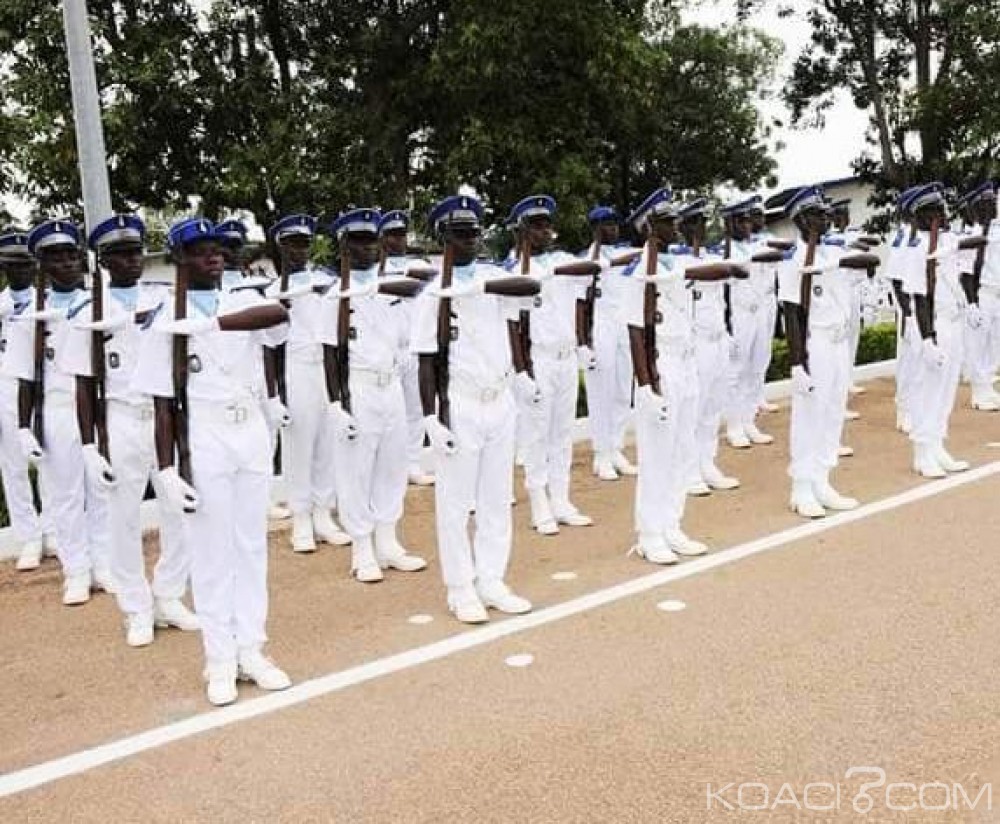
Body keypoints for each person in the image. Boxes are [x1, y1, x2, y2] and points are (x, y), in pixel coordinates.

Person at [133, 216, 292, 706]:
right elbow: (163, 402)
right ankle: (219, 658)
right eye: (202, 250)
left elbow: (278, 317)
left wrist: (210, 323)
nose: (215, 256)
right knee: (211, 553)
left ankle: (252, 649)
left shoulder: (242, 298)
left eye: (219, 248)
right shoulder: (163, 317)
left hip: (248, 432)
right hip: (203, 434)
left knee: (251, 547)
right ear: (180, 258)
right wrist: (165, 469)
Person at [60, 214, 199, 646]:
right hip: (119, 419)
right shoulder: (87, 311)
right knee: (122, 518)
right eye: (120, 253)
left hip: (163, 417)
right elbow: (83, 383)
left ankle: (169, 594)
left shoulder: (166, 298)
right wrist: (87, 444)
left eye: (136, 250)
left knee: (180, 509)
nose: (131, 260)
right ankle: (136, 608)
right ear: (103, 260)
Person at [411, 194, 541, 622]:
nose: (470, 240)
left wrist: (479, 286)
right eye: (460, 233)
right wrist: (431, 417)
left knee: (495, 500)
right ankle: (460, 587)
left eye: (473, 232)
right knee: (455, 502)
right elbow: (426, 360)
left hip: (499, 400)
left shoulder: (490, 278)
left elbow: (530, 287)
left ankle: (492, 579)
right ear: (443, 237)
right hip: (461, 404)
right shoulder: (433, 294)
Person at [624, 187, 748, 563]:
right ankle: (649, 532)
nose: (676, 226)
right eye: (668, 221)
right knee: (657, 455)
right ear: (650, 227)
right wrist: (647, 385)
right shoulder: (639, 271)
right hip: (661, 368)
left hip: (687, 363)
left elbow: (697, 270)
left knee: (681, 450)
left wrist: (727, 269)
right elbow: (637, 331)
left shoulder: (670, 263)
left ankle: (671, 524)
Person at [4, 219, 113, 605]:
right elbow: (24, 378)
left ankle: (103, 563)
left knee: (101, 490)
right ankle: (76, 570)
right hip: (58, 410)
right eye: (55, 257)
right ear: (42, 266)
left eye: (71, 254)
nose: (66, 263)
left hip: (100, 409)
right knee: (65, 494)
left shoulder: (101, 303)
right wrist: (22, 427)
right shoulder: (29, 316)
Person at [320, 208, 428, 583]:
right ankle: (361, 548)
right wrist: (336, 403)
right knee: (356, 471)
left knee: (392, 465)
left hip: (392, 385)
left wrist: (376, 285)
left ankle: (388, 541)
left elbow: (418, 288)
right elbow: (329, 354)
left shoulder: (392, 285)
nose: (369, 248)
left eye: (372, 240)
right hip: (359, 387)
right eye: (360, 242)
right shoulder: (335, 295)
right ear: (344, 247)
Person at [779, 187, 880, 518]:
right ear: (803, 220)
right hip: (816, 344)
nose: (826, 219)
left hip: (837, 344)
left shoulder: (829, 254)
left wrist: (841, 257)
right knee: (810, 415)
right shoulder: (795, 261)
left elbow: (868, 259)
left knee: (832, 411)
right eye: (818, 215)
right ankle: (802, 486)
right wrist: (797, 363)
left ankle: (823, 479)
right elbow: (793, 314)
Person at [505, 195, 601, 535]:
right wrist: (521, 370)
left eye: (547, 225)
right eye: (537, 226)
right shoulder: (514, 270)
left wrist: (552, 271)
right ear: (522, 231)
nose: (545, 231)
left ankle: (561, 499)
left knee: (562, 435)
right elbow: (512, 326)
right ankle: (539, 502)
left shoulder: (560, 261)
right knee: (536, 435)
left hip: (565, 358)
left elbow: (592, 269)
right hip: (538, 360)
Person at [267, 214, 350, 553]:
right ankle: (300, 517)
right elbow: (270, 346)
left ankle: (323, 513)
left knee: (327, 442)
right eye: (291, 244)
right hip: (296, 368)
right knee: (299, 444)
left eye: (303, 243)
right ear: (281, 247)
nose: (298, 250)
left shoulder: (325, 280)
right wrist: (275, 392)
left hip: (324, 367)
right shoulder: (272, 290)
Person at [898, 183, 987, 477]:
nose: (942, 214)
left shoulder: (945, 241)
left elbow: (973, 250)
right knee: (928, 390)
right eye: (934, 210)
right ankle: (922, 451)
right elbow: (920, 298)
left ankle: (937, 444)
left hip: (953, 322)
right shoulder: (918, 248)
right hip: (933, 324)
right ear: (920, 216)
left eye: (942, 208)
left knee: (946, 389)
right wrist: (927, 340)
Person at [675, 199, 741, 493]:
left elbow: (736, 274)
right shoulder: (676, 259)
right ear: (684, 228)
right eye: (696, 222)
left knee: (713, 405)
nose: (702, 227)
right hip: (695, 343)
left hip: (717, 339)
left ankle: (707, 462)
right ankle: (688, 471)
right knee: (694, 409)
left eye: (703, 222)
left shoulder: (712, 255)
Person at [0, 228, 53, 570]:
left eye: (26, 262)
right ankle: (29, 536)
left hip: (45, 386)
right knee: (13, 465)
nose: (20, 269)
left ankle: (53, 529)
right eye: (12, 263)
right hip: (6, 387)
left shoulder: (51, 299)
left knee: (51, 461)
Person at [579, 206, 637, 481]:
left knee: (623, 389)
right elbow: (582, 303)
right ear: (596, 229)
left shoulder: (625, 253)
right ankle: (601, 453)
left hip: (624, 324)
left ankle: (616, 447)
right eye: (606, 225)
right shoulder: (588, 259)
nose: (613, 229)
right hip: (601, 327)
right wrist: (583, 341)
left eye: (615, 224)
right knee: (601, 391)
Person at [723, 196, 787, 449]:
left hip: (760, 311)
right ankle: (734, 425)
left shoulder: (756, 243)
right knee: (737, 371)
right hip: (740, 315)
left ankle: (749, 421)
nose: (747, 225)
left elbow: (778, 250)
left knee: (757, 366)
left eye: (748, 220)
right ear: (729, 223)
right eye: (741, 221)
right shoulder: (726, 250)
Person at [378, 210, 436, 486]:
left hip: (412, 346)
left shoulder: (417, 263)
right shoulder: (375, 268)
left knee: (415, 408)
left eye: (401, 234)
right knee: (391, 411)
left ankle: (412, 463)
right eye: (392, 235)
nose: (398, 240)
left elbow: (430, 278)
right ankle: (390, 467)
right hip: (386, 350)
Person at [954, 183, 1000, 412]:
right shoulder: (972, 233)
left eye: (994, 201)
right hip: (982, 292)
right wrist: (971, 302)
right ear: (979, 206)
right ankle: (979, 392)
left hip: (997, 292)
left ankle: (988, 385)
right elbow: (966, 271)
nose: (994, 205)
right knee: (978, 343)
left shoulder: (997, 229)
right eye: (989, 202)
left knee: (995, 342)